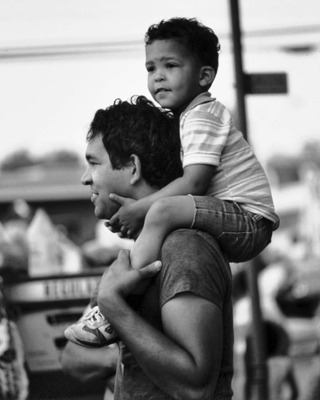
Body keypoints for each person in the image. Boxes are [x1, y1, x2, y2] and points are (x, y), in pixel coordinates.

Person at [66, 17, 280, 348]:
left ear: (204, 76)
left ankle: (119, 304)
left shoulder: (200, 117)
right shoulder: (187, 120)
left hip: (248, 219)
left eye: (171, 65)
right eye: (151, 68)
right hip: (238, 218)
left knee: (163, 213)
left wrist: (141, 209)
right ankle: (120, 297)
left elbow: (194, 181)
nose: (158, 77)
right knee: (163, 216)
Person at [66, 96, 234, 399]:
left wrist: (114, 306)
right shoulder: (132, 257)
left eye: (93, 162)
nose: (84, 178)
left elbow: (196, 388)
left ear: (132, 167)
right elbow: (73, 353)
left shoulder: (185, 248)